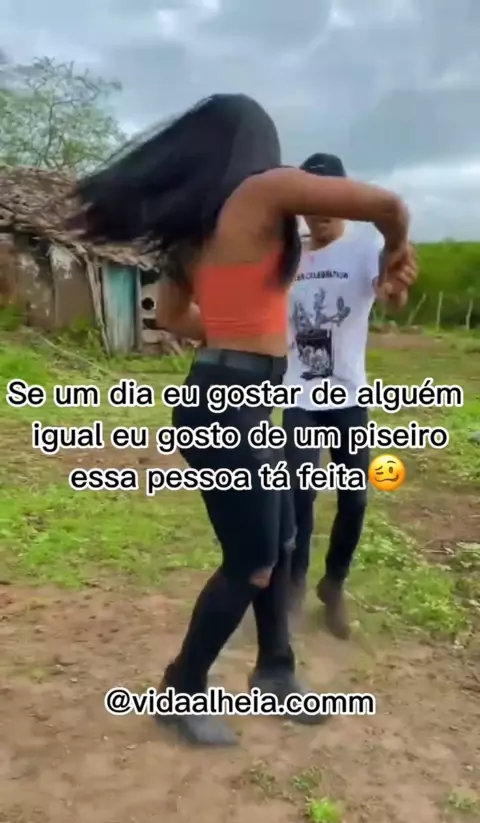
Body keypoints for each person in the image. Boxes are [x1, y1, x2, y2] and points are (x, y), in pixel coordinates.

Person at [68, 94, 413, 747]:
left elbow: (173, 318)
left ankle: (275, 670)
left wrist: (235, 334)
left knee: (281, 539)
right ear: (256, 146)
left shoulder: (196, 230)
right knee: (253, 559)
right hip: (233, 402)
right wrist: (396, 249)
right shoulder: (266, 191)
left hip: (226, 395)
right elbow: (388, 206)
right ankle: (181, 687)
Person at [283, 153, 417, 639]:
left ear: (344, 198)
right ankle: (294, 585)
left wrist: (396, 287)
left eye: (329, 198)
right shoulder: (287, 253)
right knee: (299, 494)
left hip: (348, 397)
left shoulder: (365, 247)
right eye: (309, 199)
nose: (319, 210)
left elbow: (393, 294)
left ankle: (333, 584)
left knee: (355, 498)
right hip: (298, 395)